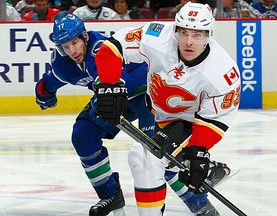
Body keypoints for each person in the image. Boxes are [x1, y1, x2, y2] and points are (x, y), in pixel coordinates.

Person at [35, 13, 207, 216]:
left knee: (155, 154)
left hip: (147, 95)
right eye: (65, 46)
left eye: (75, 42)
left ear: (85, 36)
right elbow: (51, 80)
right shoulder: (63, 64)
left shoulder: (101, 49)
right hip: (112, 96)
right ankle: (110, 195)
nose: (72, 51)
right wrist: (44, 93)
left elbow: (117, 80)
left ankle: (199, 203)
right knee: (83, 135)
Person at [93, 2, 240, 216]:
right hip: (157, 112)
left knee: (144, 158)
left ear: (209, 34)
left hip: (190, 122)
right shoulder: (157, 36)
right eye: (184, 33)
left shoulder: (223, 73)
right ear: (175, 30)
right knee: (160, 163)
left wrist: (198, 150)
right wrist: (109, 85)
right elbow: (112, 48)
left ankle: (196, 167)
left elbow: (215, 120)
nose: (189, 42)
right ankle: (205, 174)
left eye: (197, 35)